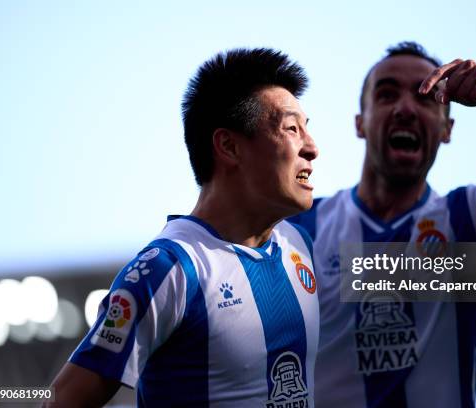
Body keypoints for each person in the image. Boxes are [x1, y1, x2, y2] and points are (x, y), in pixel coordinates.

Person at [288, 42, 476, 407]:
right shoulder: (301, 229)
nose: (404, 109)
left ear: (447, 129)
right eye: (386, 95)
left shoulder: (471, 220)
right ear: (360, 123)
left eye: (426, 98)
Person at [46, 48, 320, 407]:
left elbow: (406, 273)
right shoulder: (167, 271)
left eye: (307, 129)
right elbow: (62, 401)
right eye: (291, 129)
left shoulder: (302, 239)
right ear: (228, 146)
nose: (312, 148)